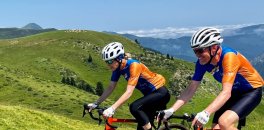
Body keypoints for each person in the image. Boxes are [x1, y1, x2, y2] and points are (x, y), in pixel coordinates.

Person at [159, 27, 263, 130]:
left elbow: (226, 92)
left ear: (213, 48)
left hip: (251, 91)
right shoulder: (202, 63)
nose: (198, 55)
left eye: (200, 51)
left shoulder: (229, 57)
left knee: (224, 122)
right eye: (195, 51)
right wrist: (172, 109)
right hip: (234, 92)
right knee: (215, 128)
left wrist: (206, 113)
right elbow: (191, 89)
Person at [87, 42, 170, 130]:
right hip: (150, 96)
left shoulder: (134, 65)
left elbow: (129, 92)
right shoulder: (117, 69)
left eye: (110, 61)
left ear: (119, 58)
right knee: (141, 126)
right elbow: (111, 87)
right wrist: (96, 103)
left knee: (134, 107)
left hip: (160, 93)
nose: (108, 64)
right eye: (106, 62)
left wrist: (112, 109)